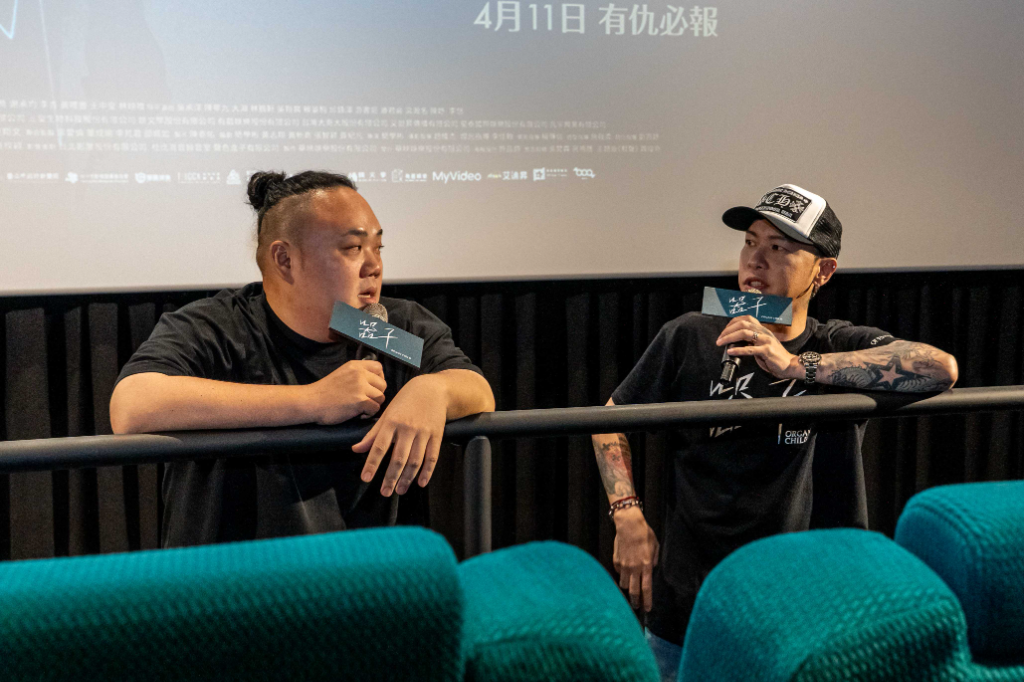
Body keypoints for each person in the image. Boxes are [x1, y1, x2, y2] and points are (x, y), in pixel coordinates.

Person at [590, 184, 958, 680]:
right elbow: (609, 420)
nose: (755, 260)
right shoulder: (692, 333)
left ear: (823, 271)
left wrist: (797, 365)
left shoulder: (835, 344)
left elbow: (940, 368)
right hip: (692, 606)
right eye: (750, 242)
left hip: (804, 610)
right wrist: (627, 515)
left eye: (779, 247)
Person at [110, 170, 495, 547]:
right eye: (353, 248)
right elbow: (133, 405)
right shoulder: (220, 328)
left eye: (378, 248)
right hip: (236, 578)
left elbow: (475, 389)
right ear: (285, 259)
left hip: (371, 575)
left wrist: (434, 390)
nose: (374, 266)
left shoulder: (378, 329)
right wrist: (314, 400)